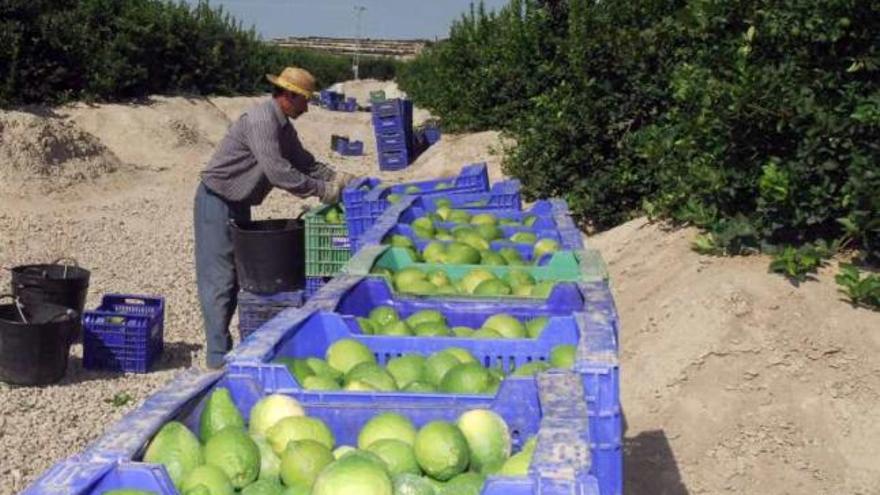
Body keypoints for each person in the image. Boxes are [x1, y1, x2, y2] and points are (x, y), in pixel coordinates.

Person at [194, 66, 356, 369]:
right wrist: (323, 191)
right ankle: (216, 357)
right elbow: (279, 172)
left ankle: (228, 348)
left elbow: (304, 162)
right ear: (289, 97)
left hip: (239, 202)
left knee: (237, 273)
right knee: (219, 278)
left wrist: (340, 177)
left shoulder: (283, 127)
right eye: (305, 100)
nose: (307, 107)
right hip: (215, 200)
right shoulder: (261, 121)